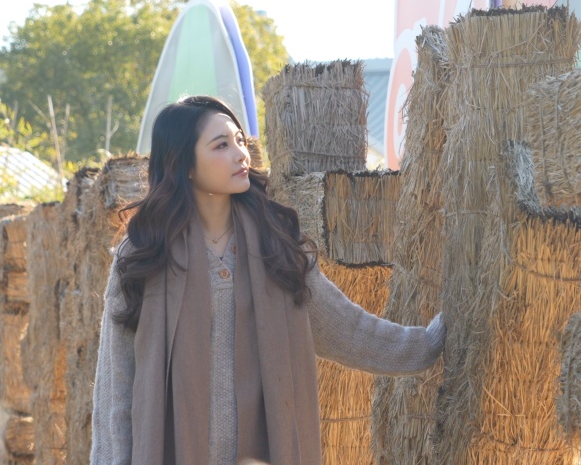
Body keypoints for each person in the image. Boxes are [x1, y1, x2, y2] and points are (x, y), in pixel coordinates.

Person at [90, 95, 445, 465]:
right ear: (185, 165)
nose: (241, 154)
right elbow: (117, 387)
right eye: (221, 145)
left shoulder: (275, 242)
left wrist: (428, 344)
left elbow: (345, 327)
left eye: (240, 141)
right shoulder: (145, 253)